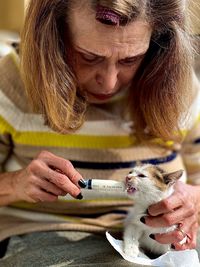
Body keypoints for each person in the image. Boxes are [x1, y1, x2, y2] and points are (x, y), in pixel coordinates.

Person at [0, 0, 200, 265]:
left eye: (130, 59)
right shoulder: (11, 80)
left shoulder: (177, 82)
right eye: (89, 57)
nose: (109, 82)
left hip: (160, 234)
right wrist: (15, 185)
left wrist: (195, 199)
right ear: (53, 36)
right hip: (46, 232)